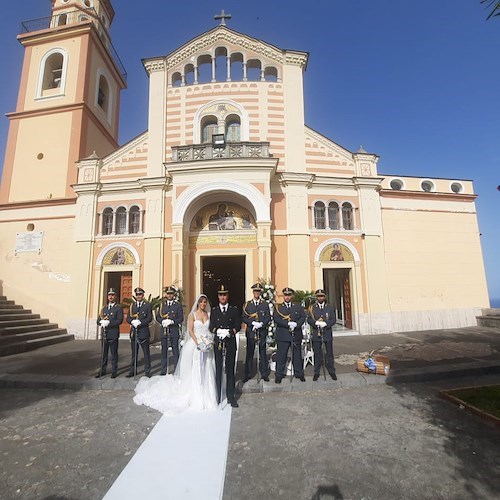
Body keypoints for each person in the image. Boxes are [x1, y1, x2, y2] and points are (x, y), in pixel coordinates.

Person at [133, 294, 218, 415]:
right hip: (196, 344)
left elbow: (210, 329)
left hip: (207, 344)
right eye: (201, 302)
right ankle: (197, 397)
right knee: (196, 369)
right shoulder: (192, 315)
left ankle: (208, 397)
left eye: (205, 302)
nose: (203, 304)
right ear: (198, 303)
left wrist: (209, 340)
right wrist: (198, 342)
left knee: (208, 369)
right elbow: (190, 330)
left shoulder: (208, 315)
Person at [209, 285, 241, 408]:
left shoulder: (234, 309)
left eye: (224, 295)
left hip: (230, 342)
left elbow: (238, 325)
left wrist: (230, 331)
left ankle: (231, 397)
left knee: (230, 370)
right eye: (220, 295)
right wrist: (216, 331)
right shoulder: (214, 310)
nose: (222, 297)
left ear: (228, 296)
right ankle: (217, 396)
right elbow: (211, 325)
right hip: (218, 344)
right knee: (218, 370)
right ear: (218, 296)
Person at [273, 287, 306, 383]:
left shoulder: (297, 306)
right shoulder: (278, 307)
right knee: (281, 356)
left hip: (295, 334)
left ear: (291, 296)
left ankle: (299, 373)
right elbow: (276, 319)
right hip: (283, 335)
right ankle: (279, 374)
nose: (287, 297)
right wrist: (287, 324)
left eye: (289, 295)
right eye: (285, 295)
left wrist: (296, 324)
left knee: (297, 355)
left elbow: (303, 317)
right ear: (283, 296)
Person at [241, 283, 271, 382]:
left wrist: (262, 324)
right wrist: (252, 323)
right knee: (250, 353)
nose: (257, 293)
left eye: (258, 291)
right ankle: (248, 374)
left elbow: (268, 317)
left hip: (262, 331)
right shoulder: (247, 304)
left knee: (262, 353)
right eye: (255, 291)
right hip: (251, 332)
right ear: (253, 292)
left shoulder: (264, 304)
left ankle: (264, 373)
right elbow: (244, 317)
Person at [307, 289, 337, 381]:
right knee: (317, 354)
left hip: (327, 333)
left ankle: (332, 371)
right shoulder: (312, 308)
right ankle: (316, 372)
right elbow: (309, 319)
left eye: (322, 296)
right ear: (316, 297)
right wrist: (315, 323)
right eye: (318, 296)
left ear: (325, 297)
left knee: (329, 354)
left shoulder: (329, 307)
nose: (320, 298)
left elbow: (333, 319)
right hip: (317, 334)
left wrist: (326, 324)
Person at [96, 288, 123, 378]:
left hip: (113, 334)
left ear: (115, 296)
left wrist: (109, 323)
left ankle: (114, 370)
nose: (110, 297)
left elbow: (120, 320)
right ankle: (102, 370)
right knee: (104, 354)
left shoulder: (118, 308)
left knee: (114, 354)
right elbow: (98, 320)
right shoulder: (104, 308)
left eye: (112, 295)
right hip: (104, 335)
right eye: (109, 295)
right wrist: (101, 322)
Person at [156, 286, 184, 375]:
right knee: (164, 351)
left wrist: (172, 321)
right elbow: (158, 317)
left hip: (174, 331)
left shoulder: (177, 305)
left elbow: (181, 318)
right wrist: (162, 321)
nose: (169, 295)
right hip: (164, 331)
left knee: (175, 350)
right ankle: (163, 371)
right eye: (168, 294)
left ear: (174, 295)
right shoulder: (162, 305)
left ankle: (177, 369)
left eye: (171, 294)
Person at [126, 287, 152, 378]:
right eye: (137, 295)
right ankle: (133, 370)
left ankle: (147, 370)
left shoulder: (147, 305)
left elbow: (149, 318)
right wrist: (132, 322)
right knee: (134, 353)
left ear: (143, 295)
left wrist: (140, 322)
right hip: (134, 332)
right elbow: (128, 318)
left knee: (146, 353)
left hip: (143, 331)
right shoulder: (132, 306)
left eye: (140, 294)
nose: (138, 296)